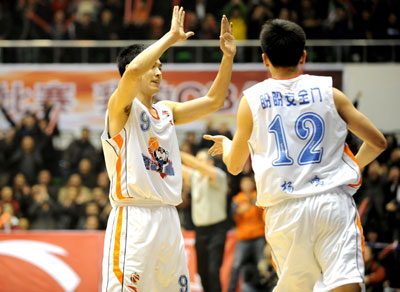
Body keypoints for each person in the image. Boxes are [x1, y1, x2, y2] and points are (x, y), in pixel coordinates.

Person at [204, 19, 386, 292]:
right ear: (303, 55)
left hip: (285, 209)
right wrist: (348, 169)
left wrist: (229, 145)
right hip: (331, 203)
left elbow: (234, 166)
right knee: (346, 283)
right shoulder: (331, 93)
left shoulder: (251, 100)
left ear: (265, 59)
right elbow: (378, 142)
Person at [100, 6, 236, 292]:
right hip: (134, 216)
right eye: (154, 65)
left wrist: (228, 57)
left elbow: (213, 101)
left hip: (168, 217)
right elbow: (135, 68)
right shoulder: (120, 109)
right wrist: (171, 37)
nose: (159, 71)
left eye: (162, 66)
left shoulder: (166, 111)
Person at [181, 150, 229, 292]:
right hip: (200, 231)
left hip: (217, 230)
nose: (197, 163)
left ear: (210, 162)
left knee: (213, 270)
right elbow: (179, 166)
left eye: (201, 160)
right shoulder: (195, 176)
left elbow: (194, 165)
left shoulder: (218, 175)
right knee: (202, 271)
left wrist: (178, 151)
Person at [228, 175, 266, 292]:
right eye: (244, 183)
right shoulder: (237, 199)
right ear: (241, 185)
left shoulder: (260, 197)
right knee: (236, 265)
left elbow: (265, 212)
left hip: (259, 236)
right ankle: (231, 289)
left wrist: (252, 202)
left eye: (249, 183)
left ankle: (266, 288)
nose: (247, 185)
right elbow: (232, 215)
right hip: (243, 238)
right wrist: (240, 210)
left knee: (263, 265)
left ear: (253, 184)